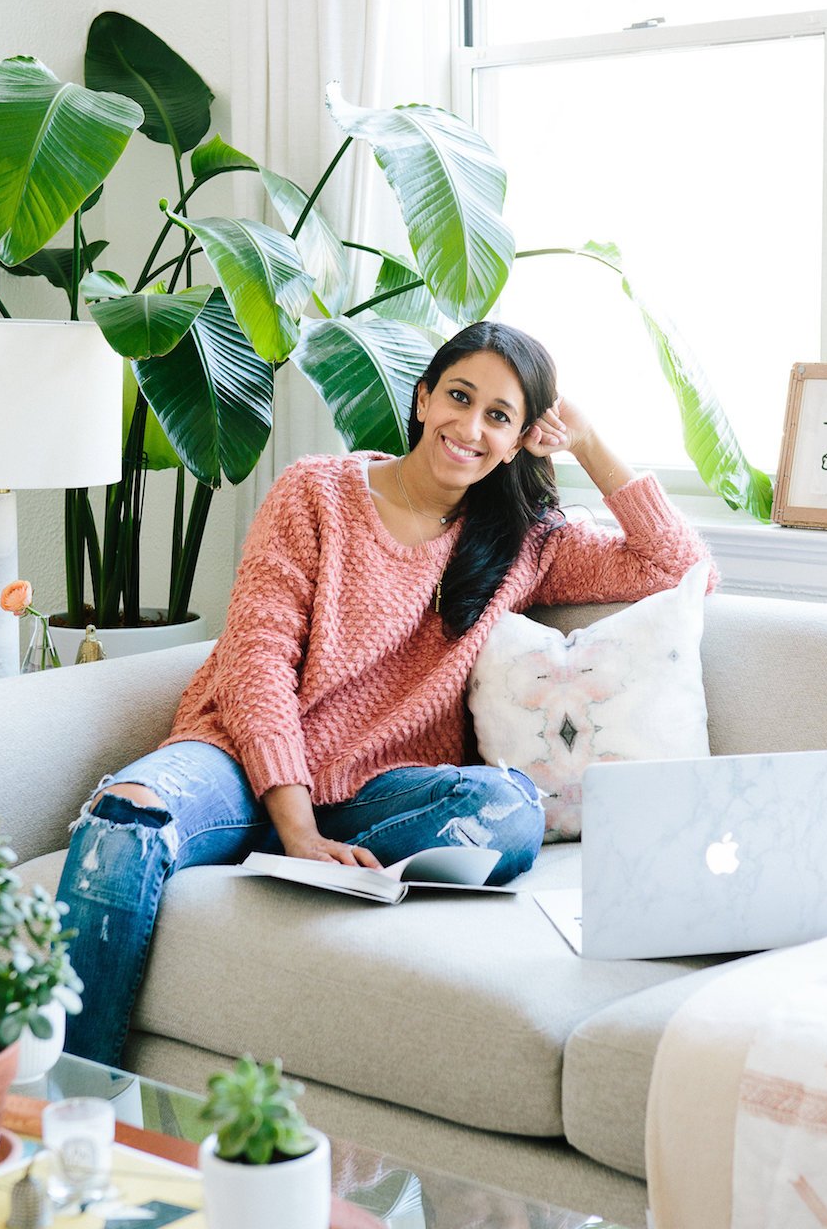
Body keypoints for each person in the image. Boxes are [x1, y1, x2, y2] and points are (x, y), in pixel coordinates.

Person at [56, 320, 715, 1066]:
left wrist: (588, 439)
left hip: (378, 795)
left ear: (522, 436)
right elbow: (257, 659)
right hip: (239, 762)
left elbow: (676, 566)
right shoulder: (317, 490)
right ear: (423, 396)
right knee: (124, 818)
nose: (469, 428)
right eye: (458, 398)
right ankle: (79, 1105)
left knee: (509, 809)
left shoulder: (527, 542)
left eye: (498, 417)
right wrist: (297, 824)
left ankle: (276, 852)